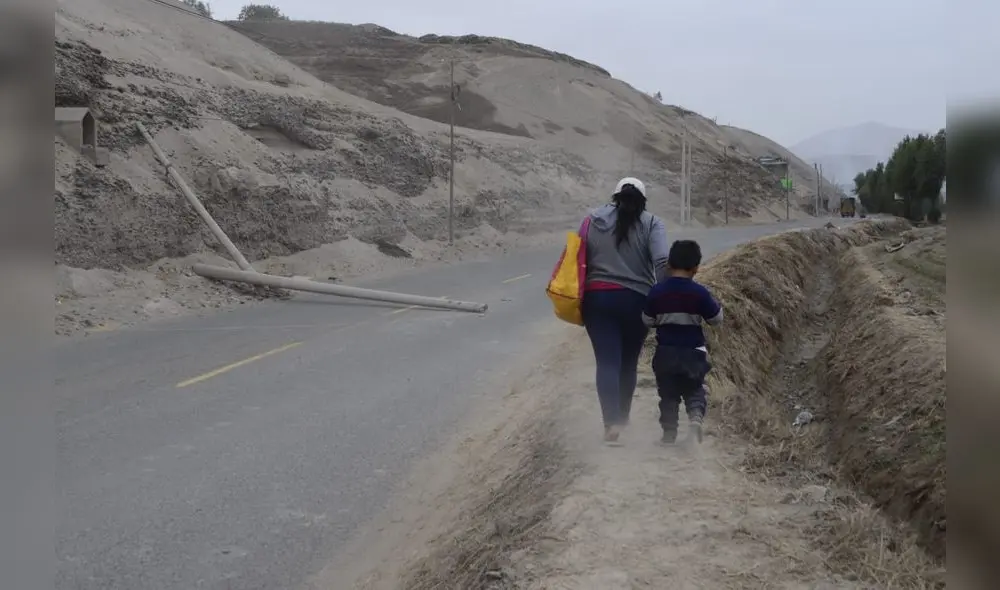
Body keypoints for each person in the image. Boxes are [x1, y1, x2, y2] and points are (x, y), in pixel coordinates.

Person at [582, 177, 669, 443]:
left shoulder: (592, 219)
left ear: (615, 196)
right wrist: (663, 297)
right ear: (643, 201)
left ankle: (610, 424)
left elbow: (577, 254)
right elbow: (662, 260)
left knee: (607, 361)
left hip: (597, 300)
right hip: (636, 302)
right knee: (628, 363)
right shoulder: (653, 223)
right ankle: (622, 418)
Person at [642, 239, 723, 445]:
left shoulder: (657, 291)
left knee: (668, 395)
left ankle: (669, 435)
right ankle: (695, 419)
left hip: (666, 352)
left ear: (669, 264)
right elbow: (716, 320)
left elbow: (647, 320)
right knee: (694, 388)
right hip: (694, 351)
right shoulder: (700, 293)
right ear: (696, 268)